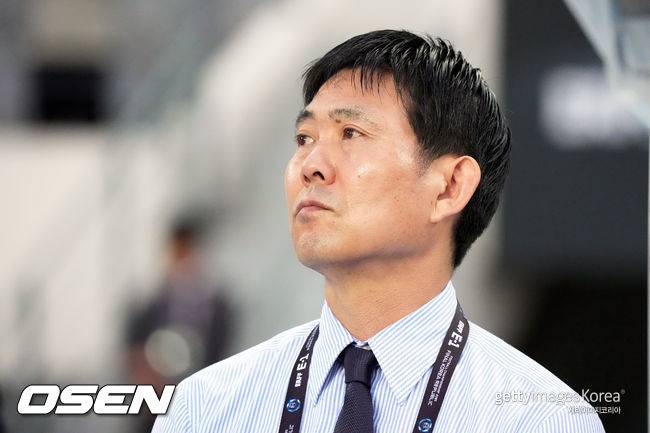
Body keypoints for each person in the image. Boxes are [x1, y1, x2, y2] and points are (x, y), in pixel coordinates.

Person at [153, 30, 605, 433]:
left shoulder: (542, 420)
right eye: (304, 139)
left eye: (351, 133)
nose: (310, 166)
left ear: (450, 186)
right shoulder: (204, 409)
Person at [126, 216, 235, 432]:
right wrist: (149, 377)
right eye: (179, 251)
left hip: (204, 400)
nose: (184, 259)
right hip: (159, 402)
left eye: (188, 251)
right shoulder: (149, 304)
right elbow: (133, 349)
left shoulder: (218, 306)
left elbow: (223, 352)